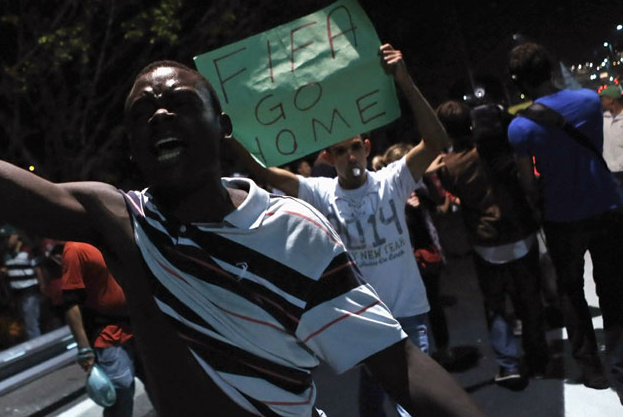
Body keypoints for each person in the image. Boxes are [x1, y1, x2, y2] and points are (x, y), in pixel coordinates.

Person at [0, 0, 484, 416]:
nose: (160, 114)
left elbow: (398, 366)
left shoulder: (292, 230)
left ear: (222, 129)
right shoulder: (124, 223)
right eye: (142, 112)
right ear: (134, 148)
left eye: (180, 104)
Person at [229, 45, 452, 417]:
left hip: (409, 314)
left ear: (366, 148)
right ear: (328, 158)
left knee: (413, 402)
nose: (351, 158)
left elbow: (435, 142)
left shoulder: (392, 181)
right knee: (371, 403)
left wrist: (404, 80)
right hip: (365, 320)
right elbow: (268, 174)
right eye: (340, 151)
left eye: (355, 148)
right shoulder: (320, 192)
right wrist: (230, 134)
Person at [507, 42, 623, 393]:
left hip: (562, 217)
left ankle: (591, 369)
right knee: (615, 289)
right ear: (552, 70)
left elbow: (528, 183)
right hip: (606, 204)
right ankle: (619, 359)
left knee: (571, 293)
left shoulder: (520, 127)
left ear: (519, 82)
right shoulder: (589, 100)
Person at [434, 100, 548, 388]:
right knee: (530, 300)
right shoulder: (497, 150)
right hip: (519, 233)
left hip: (485, 243)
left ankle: (508, 365)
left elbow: (444, 190)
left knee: (495, 305)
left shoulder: (450, 166)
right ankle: (537, 361)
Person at [381, 143, 450, 370]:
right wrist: (406, 206)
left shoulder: (418, 188)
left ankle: (442, 350)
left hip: (425, 256)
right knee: (412, 311)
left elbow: (435, 210)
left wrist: (422, 196)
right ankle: (419, 360)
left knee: (433, 304)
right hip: (403, 261)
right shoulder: (387, 195)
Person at [58, 241, 140, 417]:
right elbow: (71, 302)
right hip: (108, 334)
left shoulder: (111, 235)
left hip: (140, 327)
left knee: (162, 384)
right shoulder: (75, 249)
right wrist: (84, 348)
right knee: (121, 394)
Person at [2, 225, 42, 340]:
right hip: (17, 294)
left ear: (16, 236)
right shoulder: (7, 255)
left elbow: (38, 269)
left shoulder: (27, 252)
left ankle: (38, 349)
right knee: (26, 324)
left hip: (30, 291)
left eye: (8, 237)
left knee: (31, 324)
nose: (6, 241)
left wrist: (42, 286)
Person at [600, 84, 623, 189]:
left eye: (603, 100)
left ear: (611, 100)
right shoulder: (603, 119)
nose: (601, 103)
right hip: (608, 171)